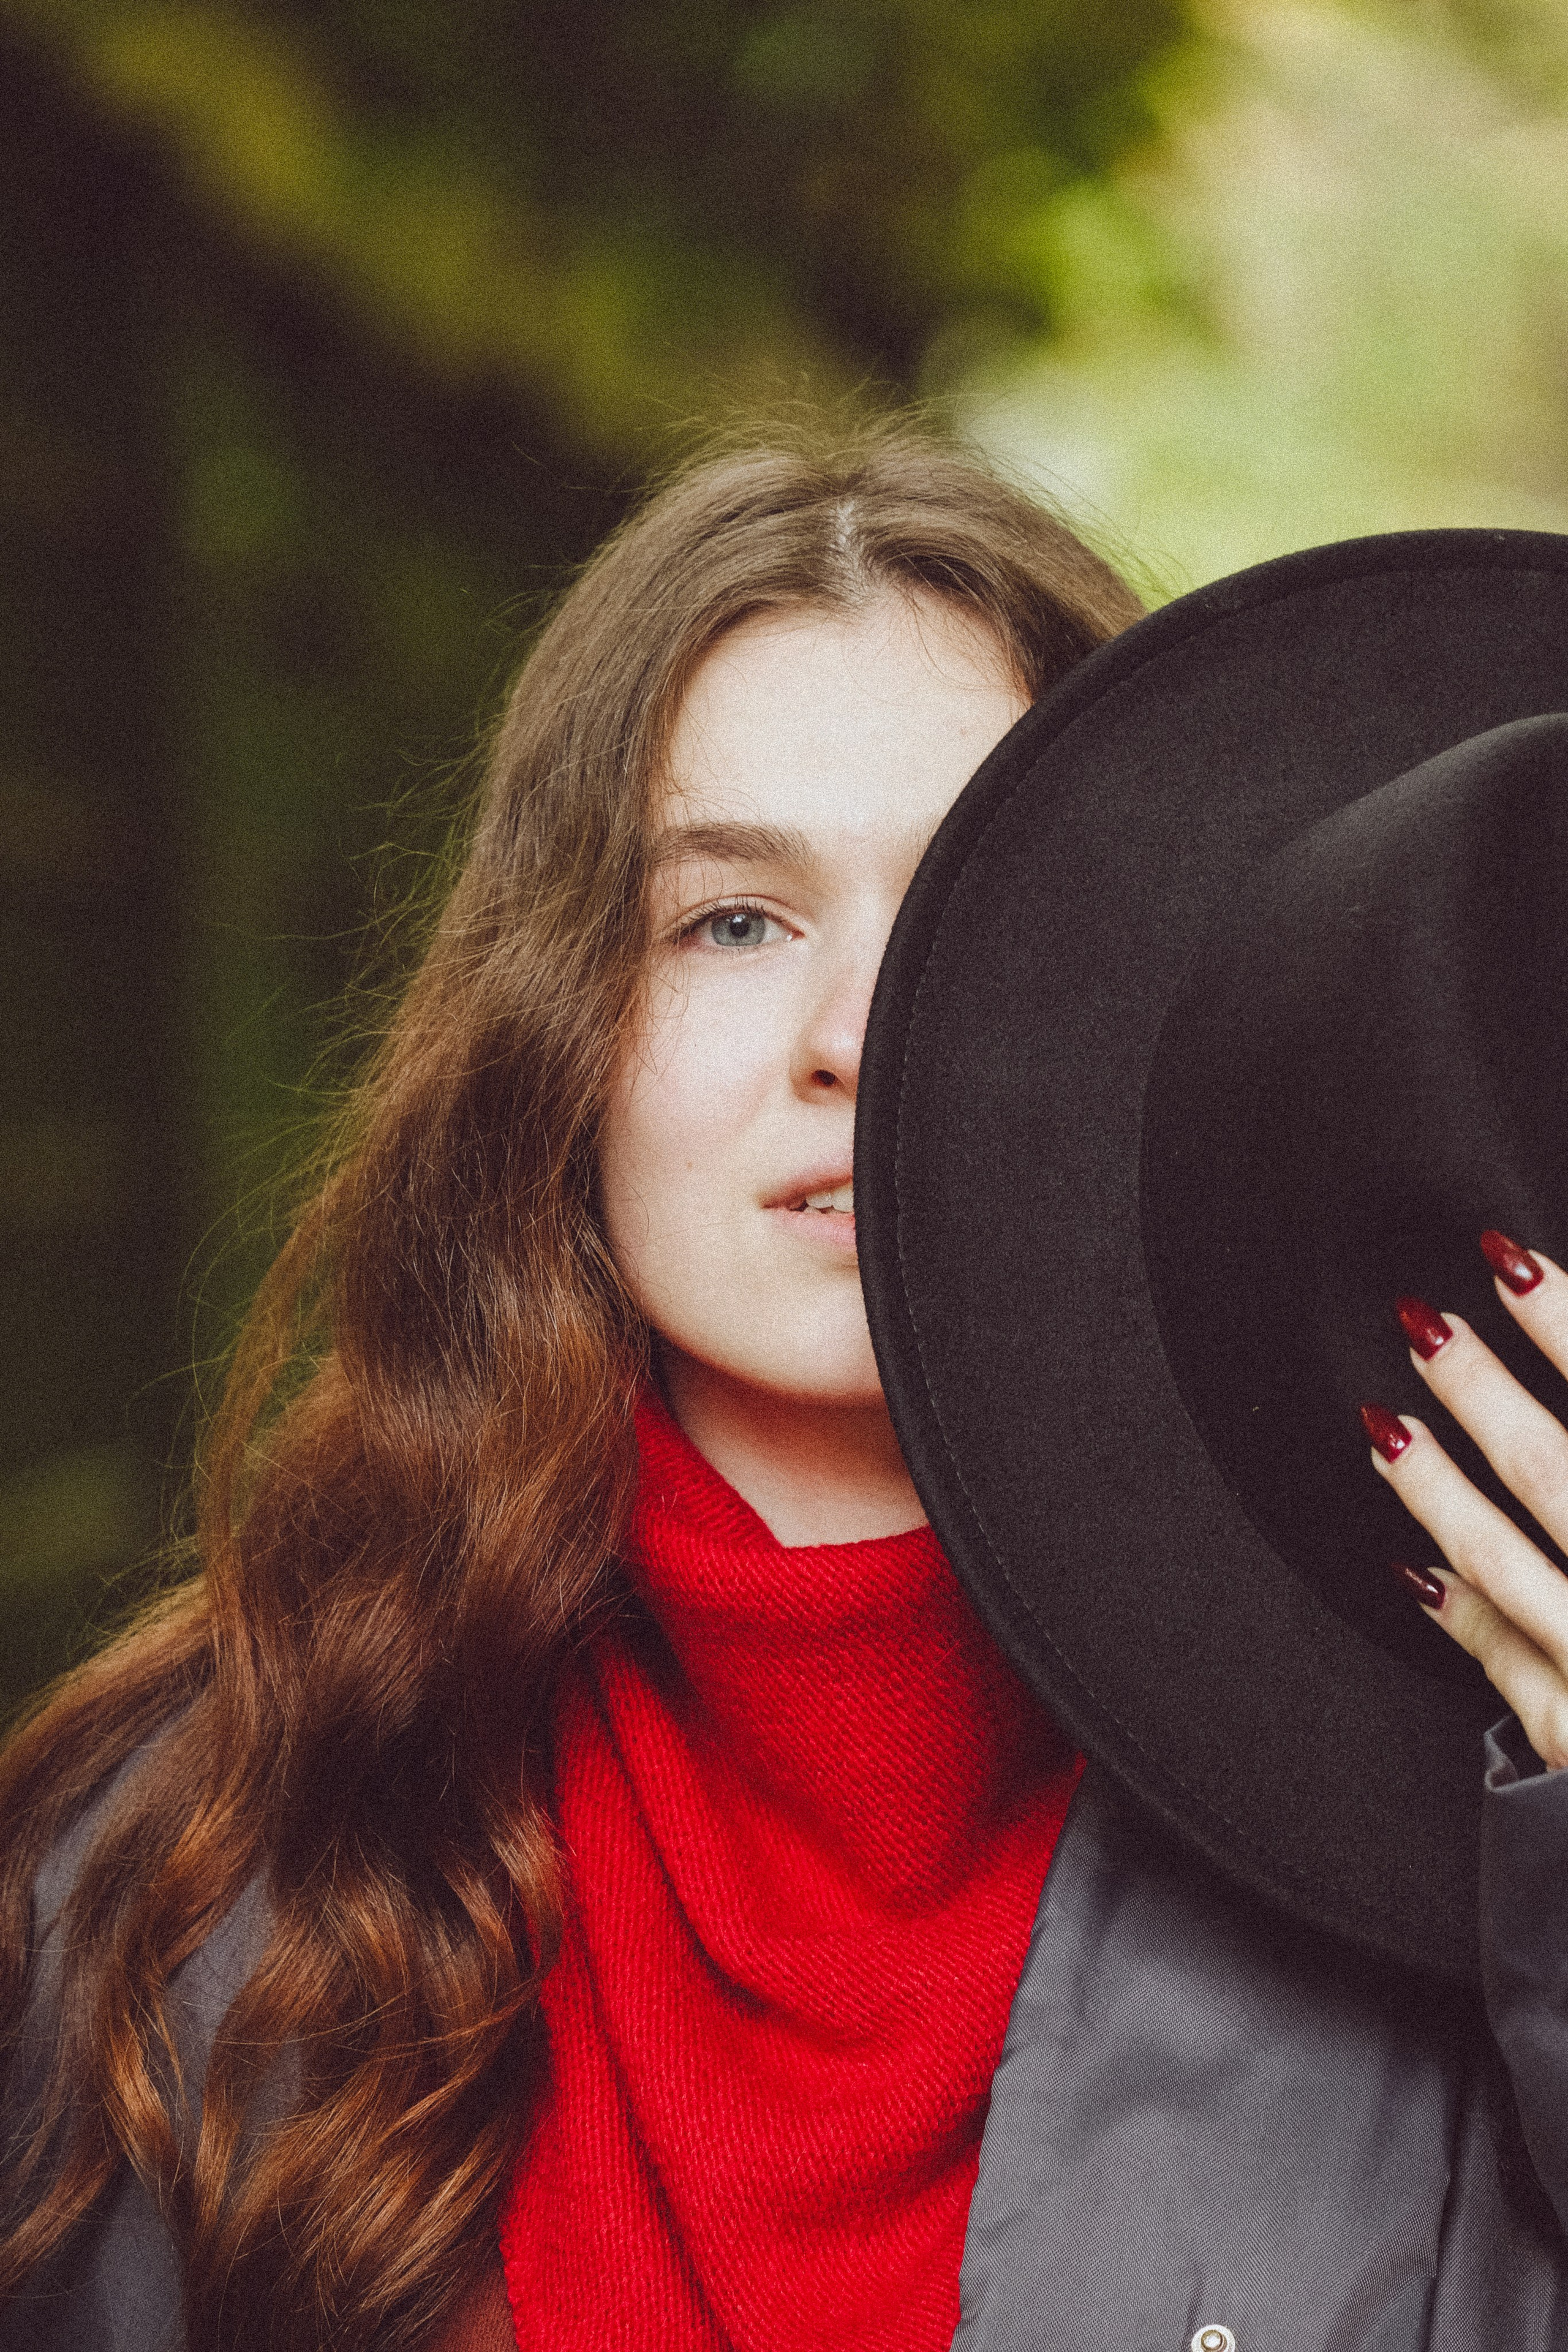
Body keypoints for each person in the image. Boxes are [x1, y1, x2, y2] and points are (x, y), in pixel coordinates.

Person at [1, 416, 1566, 2352]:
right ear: (558, 1030)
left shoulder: (1465, 1820)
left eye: (963, 914)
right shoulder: (182, 1859)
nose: (858, 1038)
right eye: (734, 920)